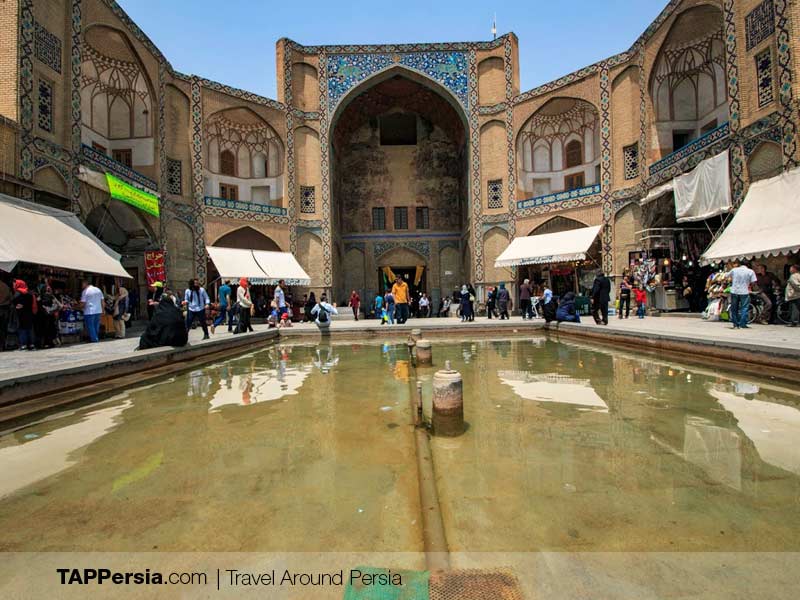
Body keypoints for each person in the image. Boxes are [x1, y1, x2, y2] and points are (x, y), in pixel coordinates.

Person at [729, 260, 757, 329]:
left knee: (734, 308)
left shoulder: (734, 270)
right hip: (744, 291)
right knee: (744, 308)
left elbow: (727, 276)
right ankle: (742, 324)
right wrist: (749, 285)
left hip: (734, 291)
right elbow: (753, 282)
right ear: (748, 265)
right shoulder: (750, 271)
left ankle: (735, 324)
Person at [13, 280, 36, 350]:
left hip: (21, 314)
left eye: (15, 284)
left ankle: (23, 344)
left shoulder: (17, 293)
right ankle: (31, 344)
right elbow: (30, 302)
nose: (13, 286)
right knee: (30, 328)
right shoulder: (29, 293)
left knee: (22, 329)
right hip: (29, 313)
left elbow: (14, 301)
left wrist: (19, 305)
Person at [0, 273, 13, 351]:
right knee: (3, 329)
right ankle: (2, 346)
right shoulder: (6, 286)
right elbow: (11, 299)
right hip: (4, 310)